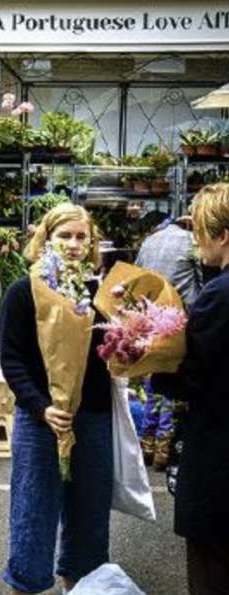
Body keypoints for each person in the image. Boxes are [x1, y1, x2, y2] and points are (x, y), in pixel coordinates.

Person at [0, 203, 113, 594]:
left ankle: (81, 584)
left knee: (89, 511)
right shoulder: (24, 292)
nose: (74, 244)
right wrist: (40, 406)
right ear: (45, 240)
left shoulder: (103, 293)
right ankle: (27, 584)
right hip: (39, 417)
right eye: (65, 236)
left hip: (92, 414)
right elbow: (11, 360)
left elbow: (109, 356)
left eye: (82, 236)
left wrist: (132, 346)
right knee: (33, 509)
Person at [157, 184, 229, 594]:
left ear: (222, 236)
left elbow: (192, 379)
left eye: (199, 231)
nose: (195, 241)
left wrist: (153, 364)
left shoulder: (218, 297)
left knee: (212, 573)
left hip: (218, 458)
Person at [134, 214, 201, 470]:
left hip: (151, 316)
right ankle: (164, 444)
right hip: (178, 318)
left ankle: (147, 441)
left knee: (153, 378)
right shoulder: (190, 242)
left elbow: (137, 278)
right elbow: (201, 281)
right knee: (172, 380)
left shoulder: (150, 241)